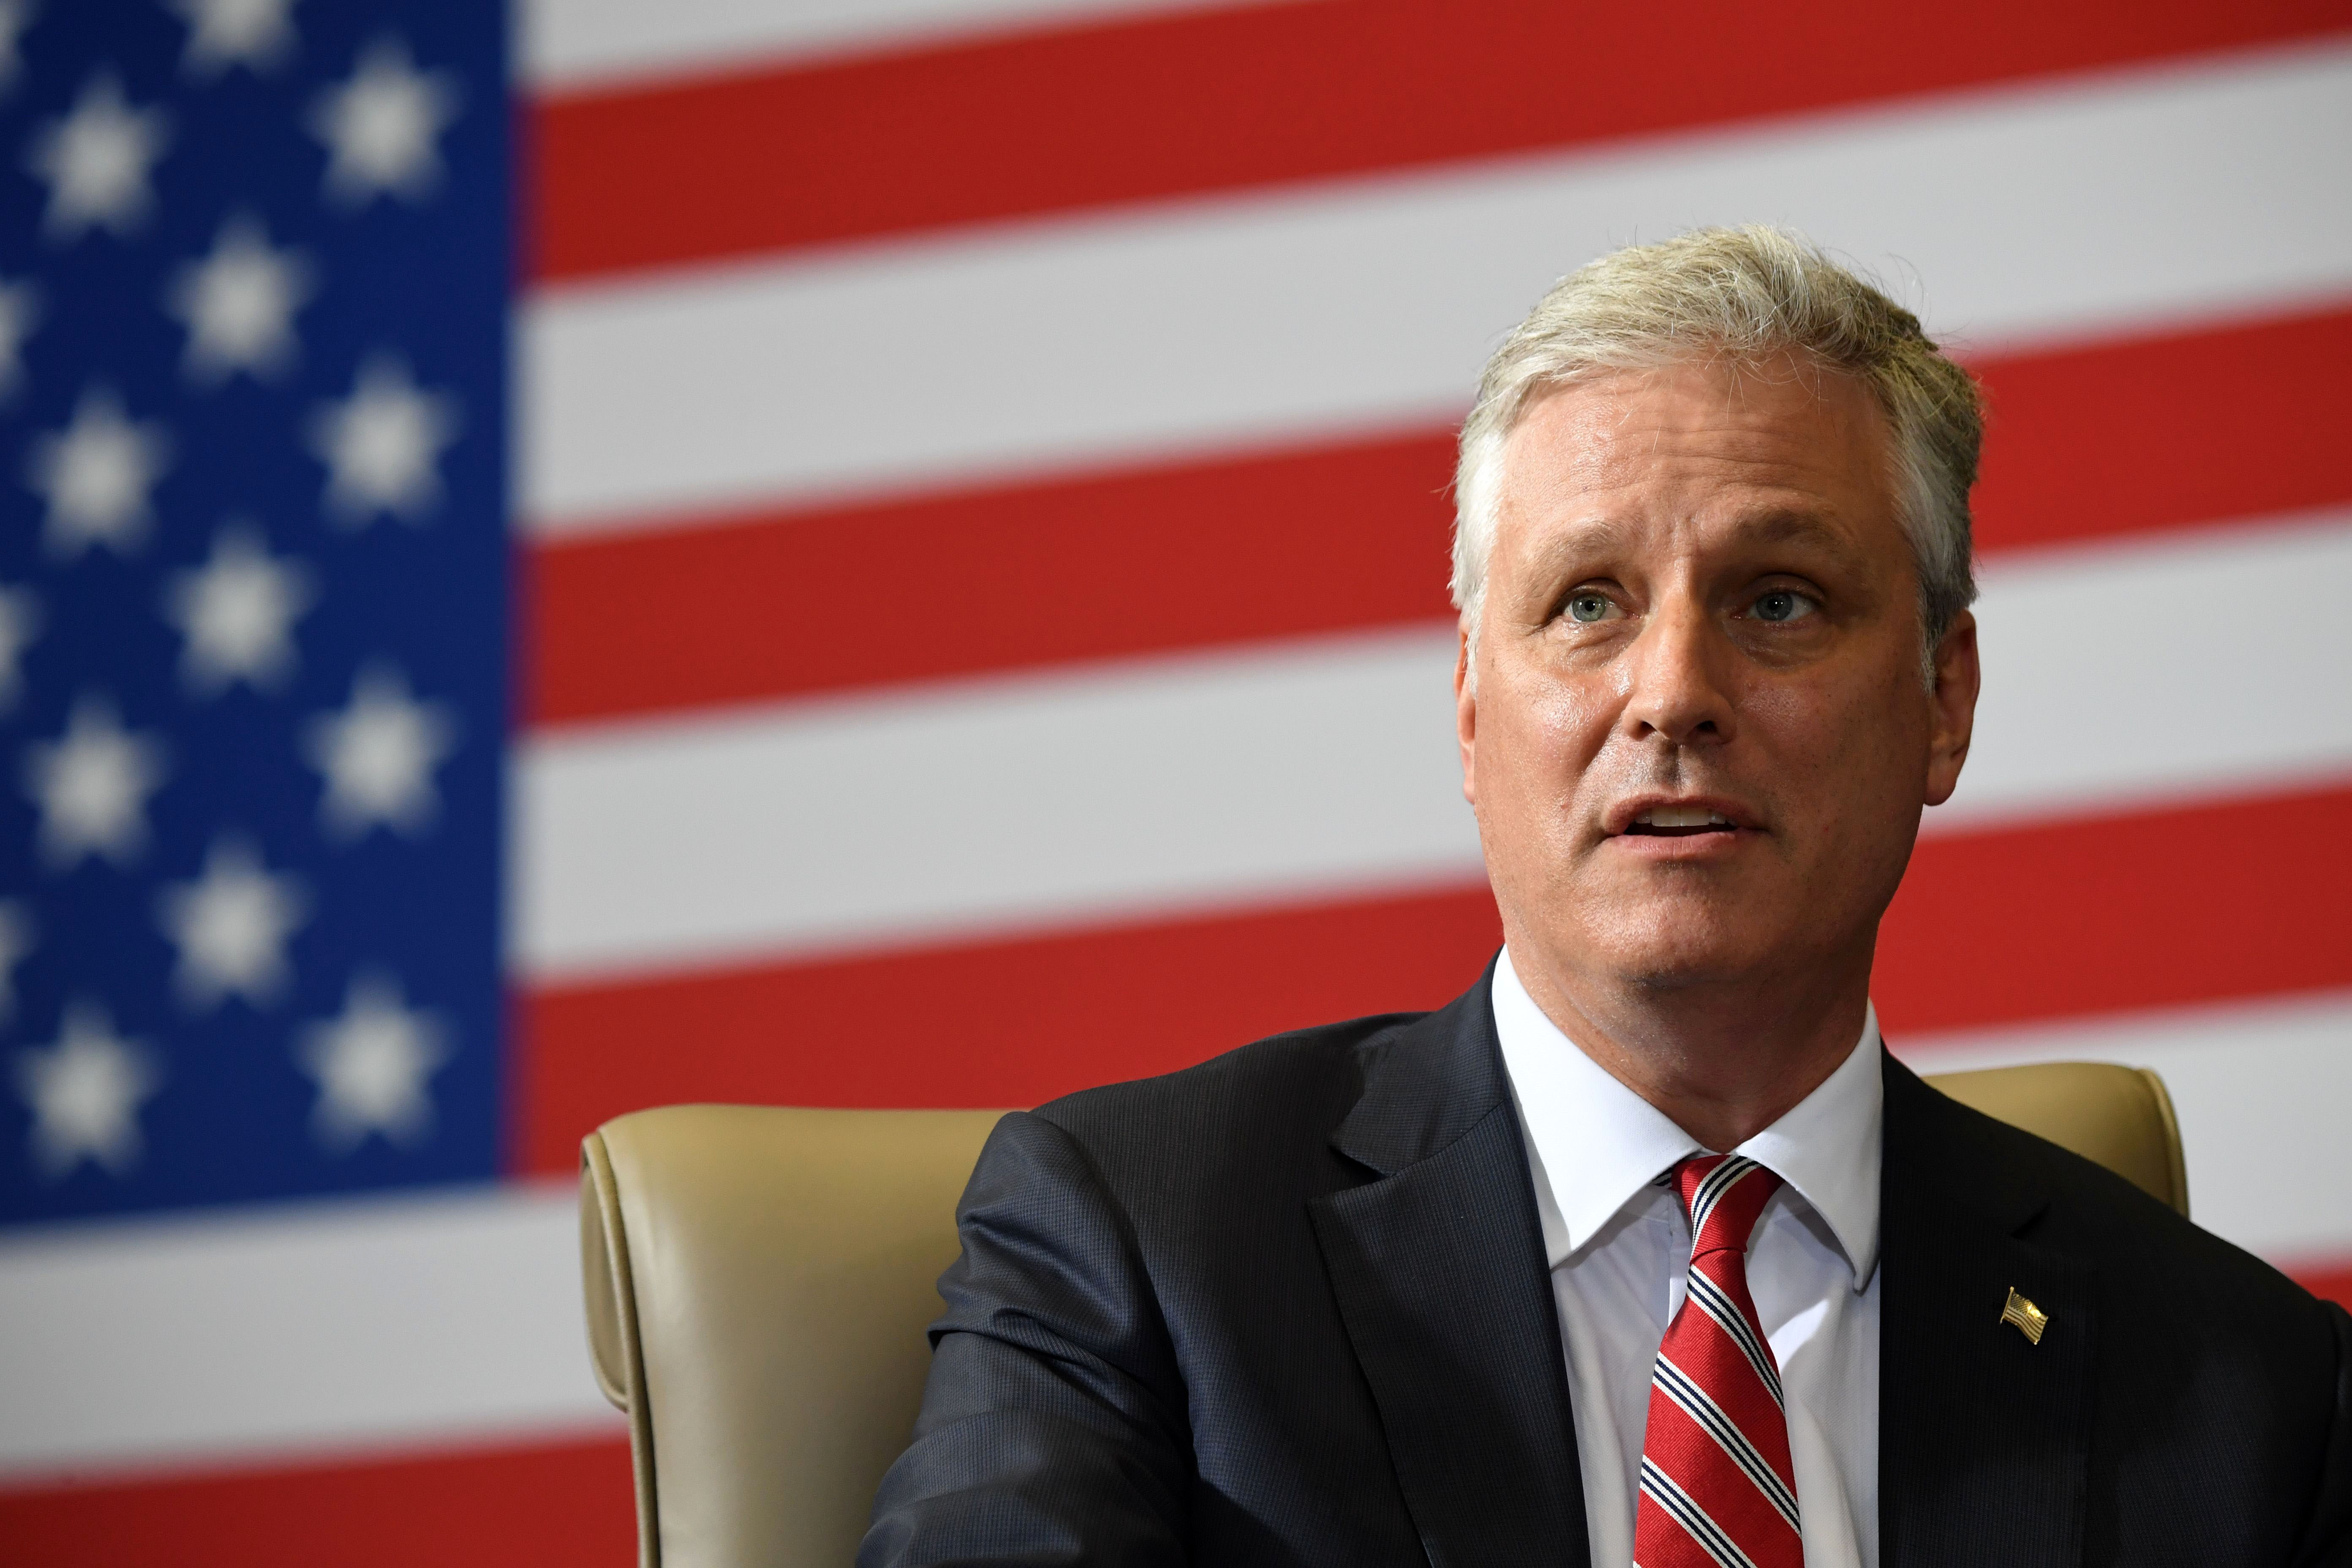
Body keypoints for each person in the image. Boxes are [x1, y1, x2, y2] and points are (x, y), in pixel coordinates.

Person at [859, 227, 2352, 1567]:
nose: (1675, 695)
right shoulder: (1142, 1251)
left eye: (1779, 600)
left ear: (1943, 700)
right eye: (1589, 603)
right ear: (1467, 708)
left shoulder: (2257, 1394)